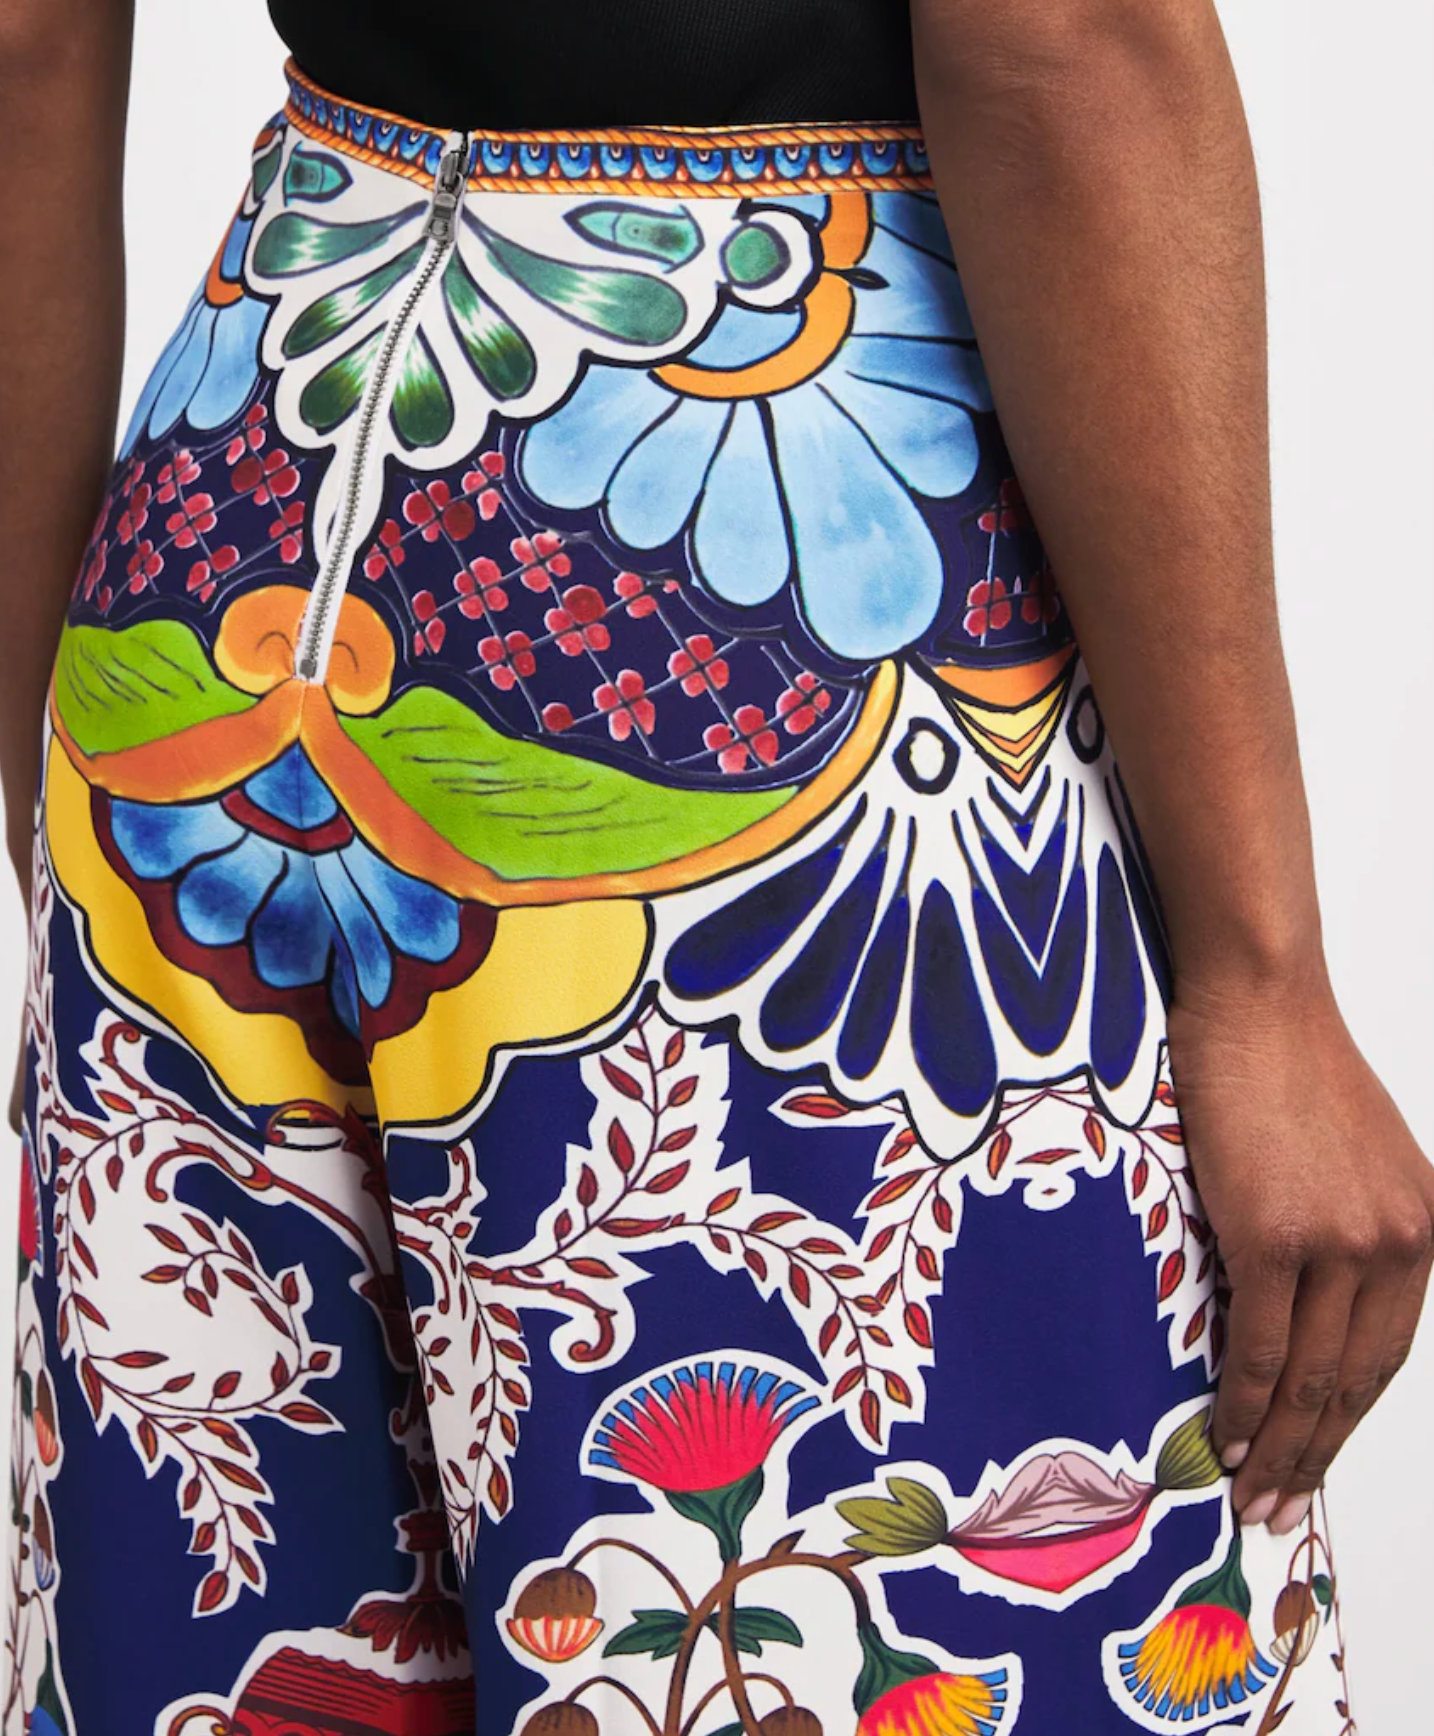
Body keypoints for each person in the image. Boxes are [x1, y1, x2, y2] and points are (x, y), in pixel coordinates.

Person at [1, 1, 1429, 1730]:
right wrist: (1262, 975)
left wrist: (68, 820)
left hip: (226, 552)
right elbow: (1055, 36)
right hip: (772, 612)